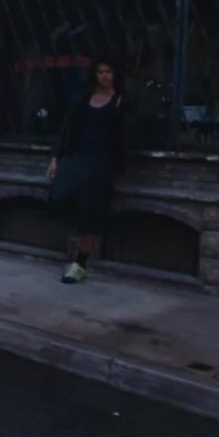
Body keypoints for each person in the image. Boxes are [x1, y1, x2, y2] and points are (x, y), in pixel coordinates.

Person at [47, 60, 127, 284]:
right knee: (58, 195)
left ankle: (80, 263)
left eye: (109, 71)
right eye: (100, 72)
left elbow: (125, 134)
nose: (105, 76)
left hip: (102, 161)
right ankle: (70, 247)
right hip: (78, 158)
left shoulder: (120, 101)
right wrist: (56, 158)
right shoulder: (84, 100)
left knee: (92, 211)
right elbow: (67, 129)